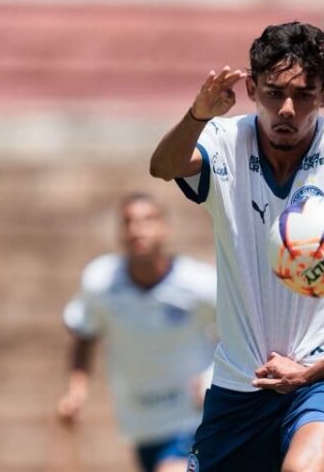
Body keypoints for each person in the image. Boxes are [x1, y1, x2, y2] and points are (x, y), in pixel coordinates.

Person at [149, 22, 324, 472]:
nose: (286, 109)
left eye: (304, 95)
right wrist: (198, 115)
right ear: (251, 88)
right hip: (239, 382)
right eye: (273, 93)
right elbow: (164, 166)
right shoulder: (224, 140)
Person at [56, 192, 217, 472]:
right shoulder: (101, 281)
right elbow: (84, 333)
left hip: (193, 418)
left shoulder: (199, 283)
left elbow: (239, 331)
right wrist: (76, 391)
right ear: (120, 232)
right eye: (128, 222)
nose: (137, 229)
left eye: (147, 220)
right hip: (140, 423)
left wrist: (211, 376)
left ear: (166, 228)